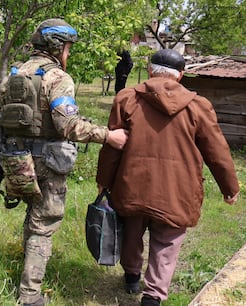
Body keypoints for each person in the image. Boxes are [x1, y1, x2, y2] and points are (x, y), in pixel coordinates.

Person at [0, 18, 128, 306]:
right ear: (57, 46)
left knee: (33, 217)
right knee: (44, 223)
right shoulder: (57, 78)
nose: (68, 53)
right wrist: (109, 136)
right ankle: (29, 295)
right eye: (67, 47)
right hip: (48, 162)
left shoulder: (14, 75)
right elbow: (69, 126)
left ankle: (27, 275)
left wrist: (1, 154)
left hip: (17, 160)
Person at [96, 49, 240, 306]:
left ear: (150, 71)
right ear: (181, 75)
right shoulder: (198, 106)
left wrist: (104, 179)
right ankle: (153, 295)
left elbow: (112, 146)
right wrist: (230, 188)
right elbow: (217, 150)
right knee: (167, 241)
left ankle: (131, 276)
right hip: (178, 190)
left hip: (132, 183)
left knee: (131, 230)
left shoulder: (126, 98)